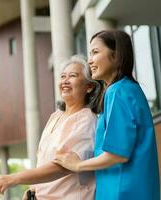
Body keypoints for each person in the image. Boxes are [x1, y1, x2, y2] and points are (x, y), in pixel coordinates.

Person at [53, 30, 160, 200]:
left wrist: (78, 165)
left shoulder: (117, 91)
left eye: (95, 52)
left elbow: (117, 154)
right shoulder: (130, 89)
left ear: (116, 55)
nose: (90, 61)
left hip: (122, 193)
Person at [0, 55, 102, 199]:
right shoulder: (56, 116)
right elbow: (44, 161)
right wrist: (33, 190)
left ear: (89, 87)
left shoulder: (86, 120)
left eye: (73, 76)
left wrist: (15, 178)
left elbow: (63, 166)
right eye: (62, 76)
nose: (65, 81)